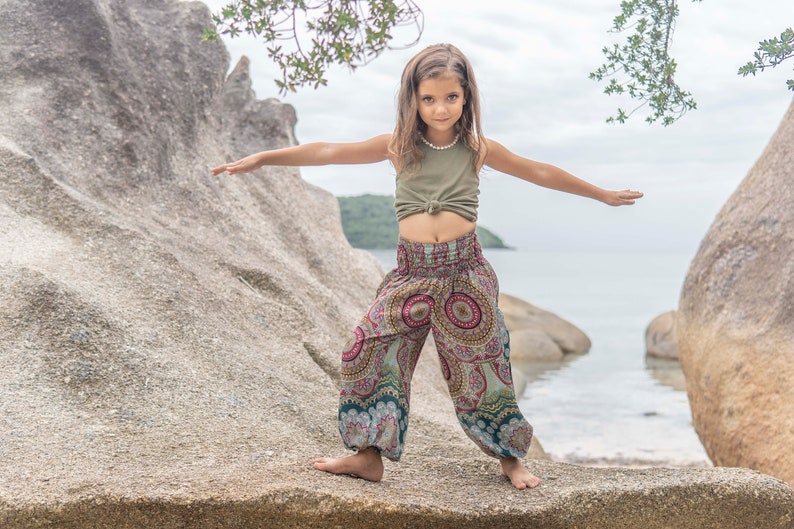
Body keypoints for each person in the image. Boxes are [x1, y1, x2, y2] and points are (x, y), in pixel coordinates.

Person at [212, 43, 643, 490]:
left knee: (483, 366)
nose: (440, 108)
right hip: (412, 272)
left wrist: (601, 194)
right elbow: (327, 151)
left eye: (451, 98)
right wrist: (265, 158)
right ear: (413, 100)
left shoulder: (476, 148)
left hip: (464, 272)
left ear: (466, 98)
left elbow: (538, 171)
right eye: (429, 99)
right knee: (367, 347)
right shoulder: (399, 146)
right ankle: (368, 455)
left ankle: (511, 459)